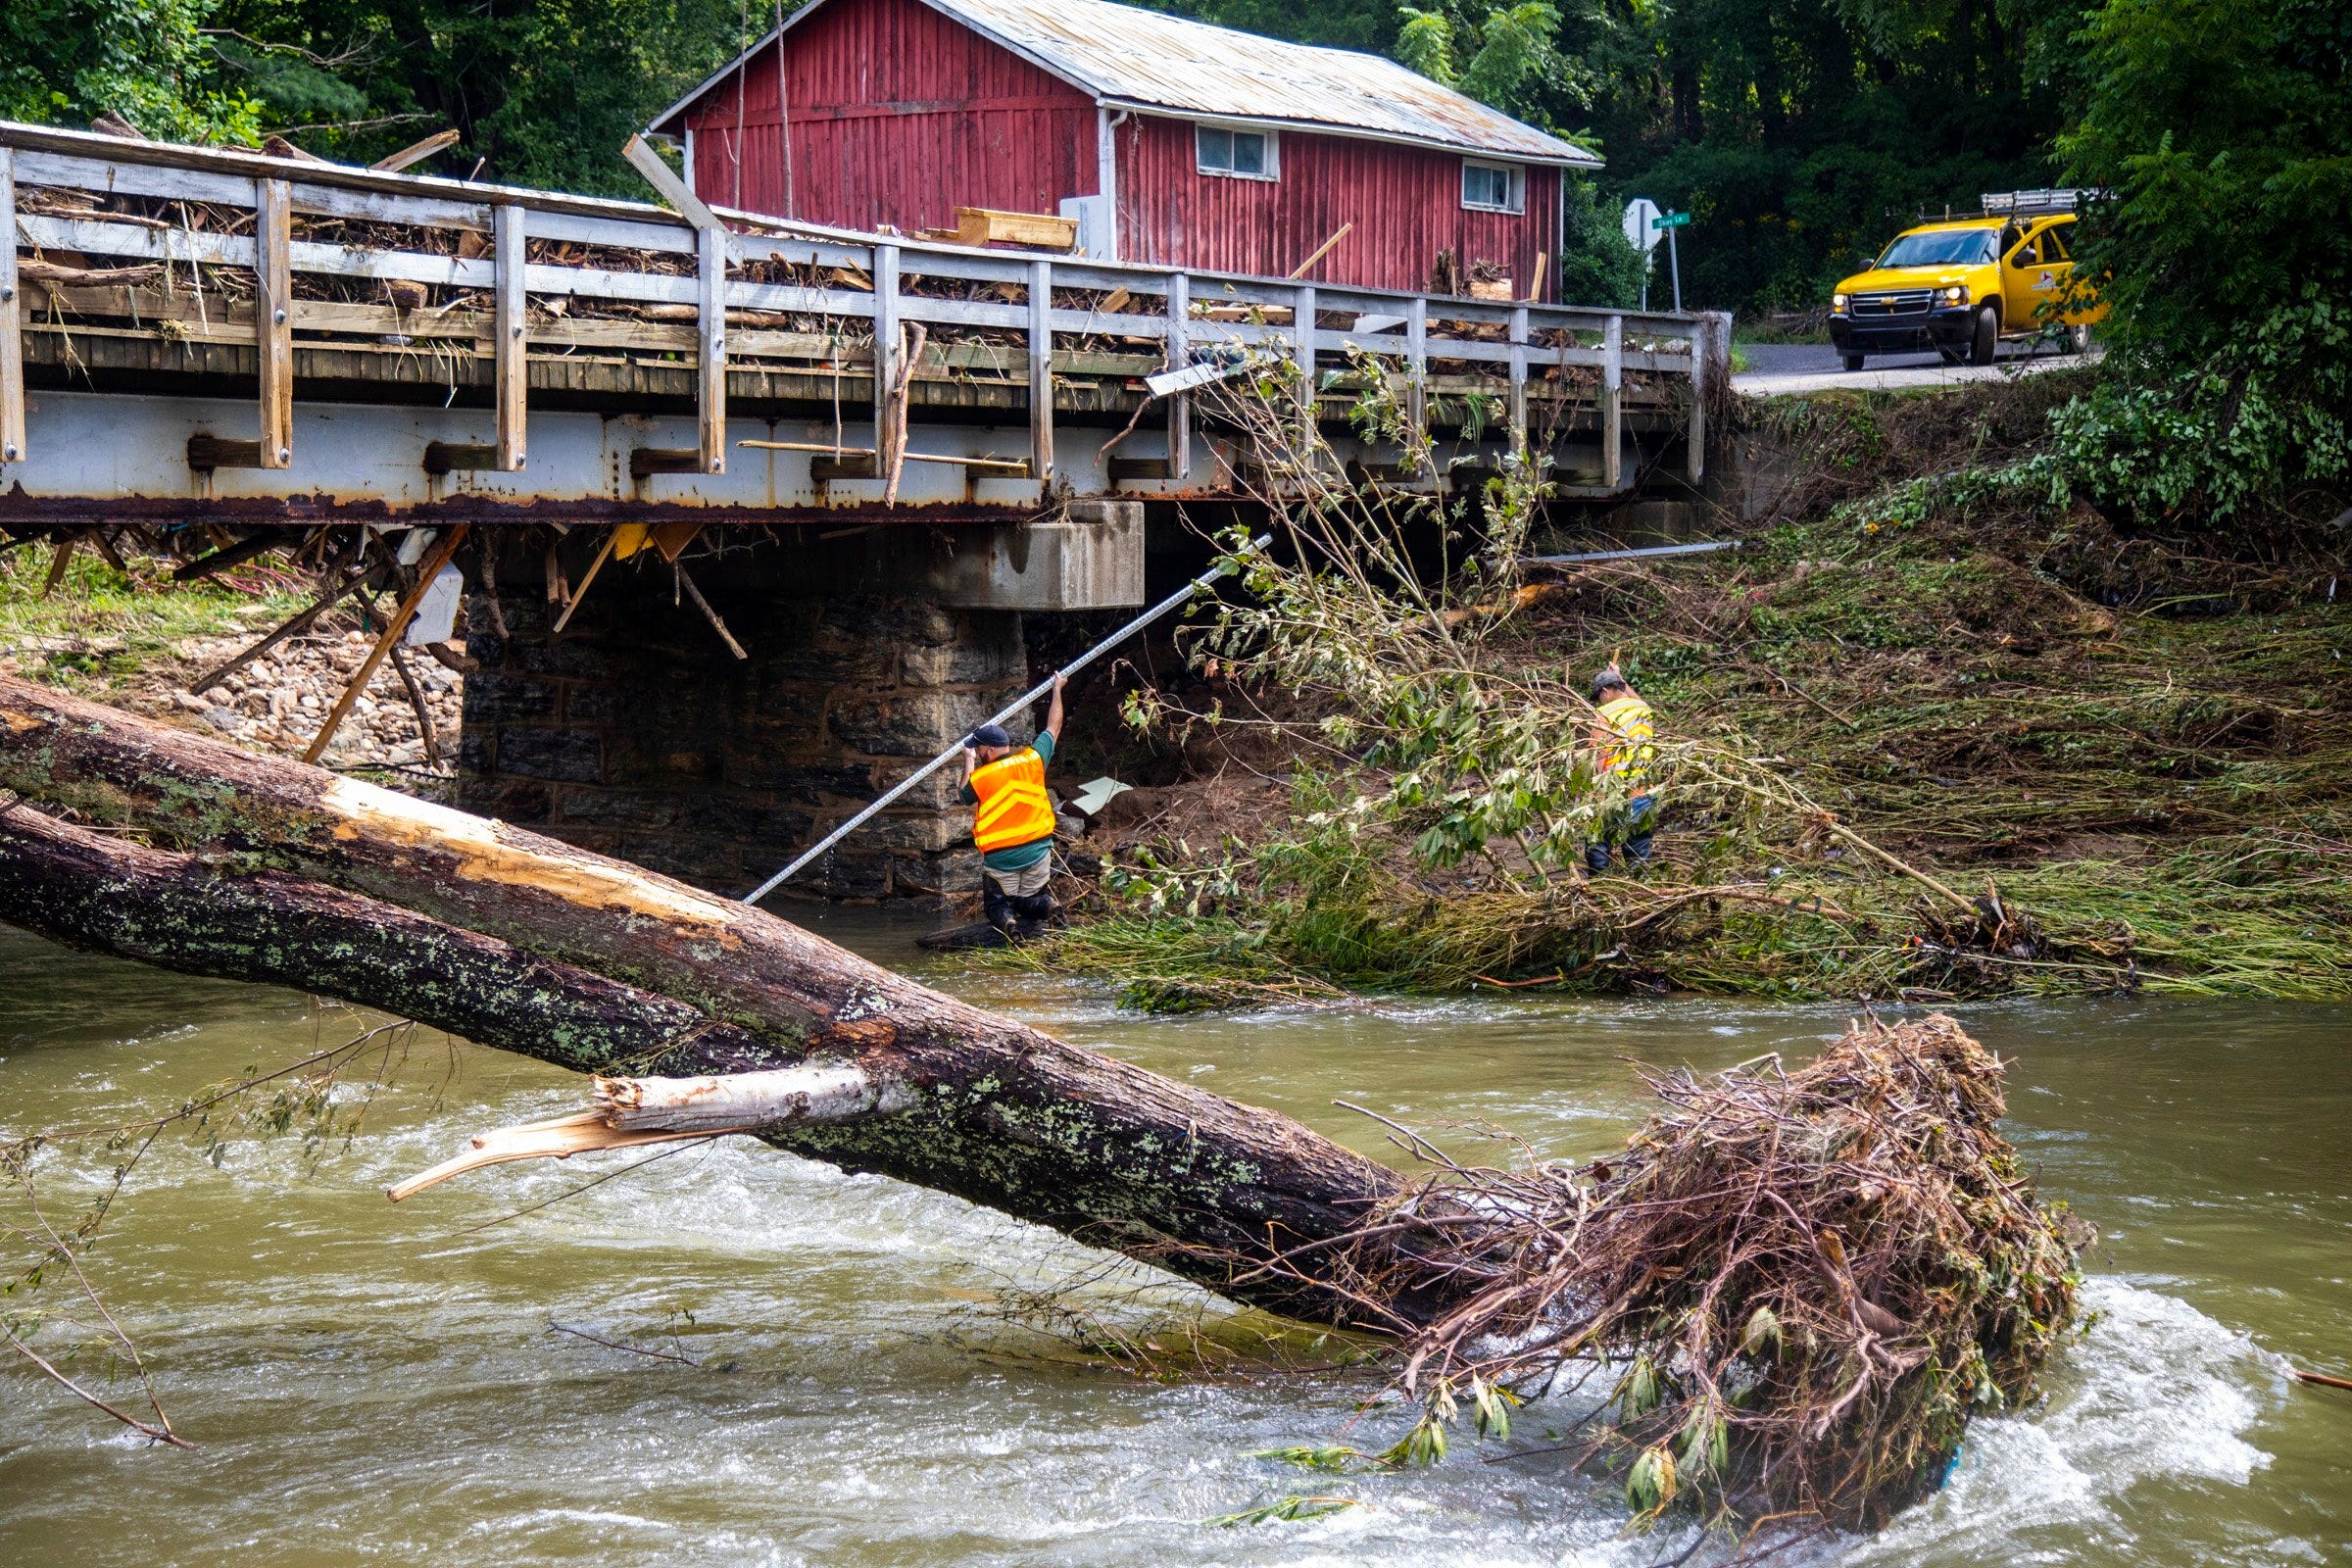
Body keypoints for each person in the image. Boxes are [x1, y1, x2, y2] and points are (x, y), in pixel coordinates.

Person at [958, 673, 1065, 939]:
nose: (978, 751)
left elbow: (964, 794)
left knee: (997, 905)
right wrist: (1057, 690)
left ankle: (1006, 923)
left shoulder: (982, 777)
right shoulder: (1033, 759)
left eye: (979, 748)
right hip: (1038, 851)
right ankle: (1049, 906)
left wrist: (968, 760)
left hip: (1001, 858)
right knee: (1028, 902)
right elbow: (1054, 726)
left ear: (991, 751)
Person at [1586, 666, 1657, 874]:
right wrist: (1621, 677)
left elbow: (1599, 755)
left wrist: (1597, 793)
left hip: (1613, 791)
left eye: (1599, 696)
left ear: (1605, 692)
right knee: (1638, 852)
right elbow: (1637, 699)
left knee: (1598, 844)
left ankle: (1598, 891)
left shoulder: (1604, 714)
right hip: (1643, 791)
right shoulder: (1641, 709)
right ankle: (1641, 892)